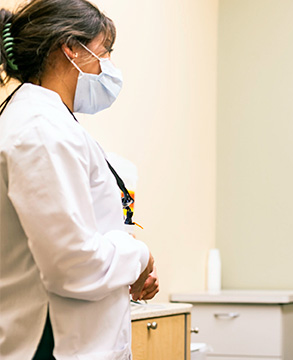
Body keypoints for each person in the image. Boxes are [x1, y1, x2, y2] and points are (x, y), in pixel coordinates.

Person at [0, 0, 159, 359]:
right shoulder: (40, 130)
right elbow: (72, 266)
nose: (109, 67)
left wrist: (126, 274)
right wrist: (139, 256)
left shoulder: (50, 122)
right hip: (53, 345)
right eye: (104, 52)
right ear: (71, 48)